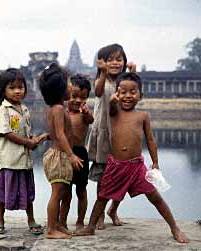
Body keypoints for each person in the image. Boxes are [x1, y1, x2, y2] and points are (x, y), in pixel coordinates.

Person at [76, 72, 189, 244]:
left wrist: (156, 162)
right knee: (102, 197)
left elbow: (150, 140)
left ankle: (175, 228)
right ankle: (90, 227)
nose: (128, 96)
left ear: (141, 95)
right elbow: (111, 106)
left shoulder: (142, 116)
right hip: (116, 165)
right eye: (123, 92)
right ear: (116, 94)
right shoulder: (113, 112)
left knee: (155, 197)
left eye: (133, 92)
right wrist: (113, 101)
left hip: (137, 167)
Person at [0, 68, 48, 235]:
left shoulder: (24, 109)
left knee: (28, 191)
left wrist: (33, 138)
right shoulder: (3, 110)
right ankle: (0, 220)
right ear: (3, 90)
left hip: (24, 159)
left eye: (21, 87)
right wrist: (28, 143)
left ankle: (31, 220)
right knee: (3, 191)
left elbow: (24, 130)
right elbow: (7, 133)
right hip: (8, 159)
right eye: (12, 87)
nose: (17, 91)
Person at [86, 44, 136, 229]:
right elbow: (98, 92)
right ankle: (99, 215)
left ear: (124, 62)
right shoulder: (101, 81)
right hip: (104, 133)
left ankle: (113, 209)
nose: (115, 63)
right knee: (103, 177)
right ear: (103, 63)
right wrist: (102, 71)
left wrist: (134, 73)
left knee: (124, 175)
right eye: (110, 60)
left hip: (122, 134)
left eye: (119, 59)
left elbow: (139, 95)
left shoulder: (126, 83)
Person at [39, 63, 84, 239]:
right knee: (57, 193)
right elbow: (60, 134)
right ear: (60, 90)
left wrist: (46, 136)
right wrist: (72, 155)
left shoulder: (56, 108)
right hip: (59, 157)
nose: (71, 87)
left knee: (64, 192)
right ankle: (50, 229)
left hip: (61, 155)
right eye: (68, 84)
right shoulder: (58, 109)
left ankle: (58, 223)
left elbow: (55, 134)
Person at [59, 74, 94, 231]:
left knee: (81, 190)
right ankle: (62, 222)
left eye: (83, 97)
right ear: (67, 95)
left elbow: (91, 120)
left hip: (80, 154)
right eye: (74, 96)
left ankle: (80, 221)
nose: (78, 100)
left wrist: (86, 113)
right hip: (65, 154)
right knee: (65, 192)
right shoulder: (63, 113)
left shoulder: (84, 114)